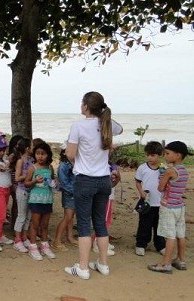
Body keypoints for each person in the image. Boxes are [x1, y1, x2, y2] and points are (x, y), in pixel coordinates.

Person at [64, 91, 123, 280]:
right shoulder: (107, 123)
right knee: (100, 222)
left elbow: (70, 154)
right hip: (104, 180)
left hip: (85, 179)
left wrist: (76, 165)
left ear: (86, 106)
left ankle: (83, 267)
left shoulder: (78, 126)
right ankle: (103, 264)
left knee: (83, 224)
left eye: (82, 102)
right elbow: (119, 129)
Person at [148, 141, 191, 273]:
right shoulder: (184, 170)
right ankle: (180, 260)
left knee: (169, 236)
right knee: (180, 235)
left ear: (178, 155)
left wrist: (162, 175)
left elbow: (161, 188)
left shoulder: (170, 171)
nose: (165, 156)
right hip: (179, 206)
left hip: (168, 207)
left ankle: (165, 264)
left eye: (167, 153)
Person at [24, 141, 57, 261]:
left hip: (47, 199)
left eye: (43, 154)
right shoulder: (32, 168)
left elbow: (53, 181)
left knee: (45, 224)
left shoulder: (50, 168)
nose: (40, 156)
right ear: (34, 155)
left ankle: (44, 245)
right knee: (35, 224)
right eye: (38, 153)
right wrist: (34, 181)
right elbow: (26, 183)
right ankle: (33, 246)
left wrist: (53, 183)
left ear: (48, 155)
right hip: (36, 199)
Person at [134, 141, 166, 256]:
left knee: (159, 225)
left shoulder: (163, 168)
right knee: (144, 225)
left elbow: (167, 184)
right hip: (147, 202)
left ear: (160, 155)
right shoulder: (142, 168)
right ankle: (141, 244)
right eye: (147, 155)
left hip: (160, 203)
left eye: (152, 155)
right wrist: (141, 192)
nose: (149, 158)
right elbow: (138, 182)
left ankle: (160, 245)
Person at [52, 146, 78, 251]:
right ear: (64, 153)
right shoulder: (63, 166)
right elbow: (64, 183)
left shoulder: (74, 163)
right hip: (70, 194)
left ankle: (70, 237)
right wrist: (74, 191)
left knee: (71, 217)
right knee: (67, 217)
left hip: (75, 193)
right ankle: (57, 240)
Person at [11, 137, 33, 253]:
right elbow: (17, 178)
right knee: (21, 215)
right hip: (22, 191)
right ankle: (17, 239)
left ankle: (24, 236)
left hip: (30, 190)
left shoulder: (31, 159)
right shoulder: (20, 161)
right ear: (27, 148)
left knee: (28, 215)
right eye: (32, 146)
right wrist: (29, 175)